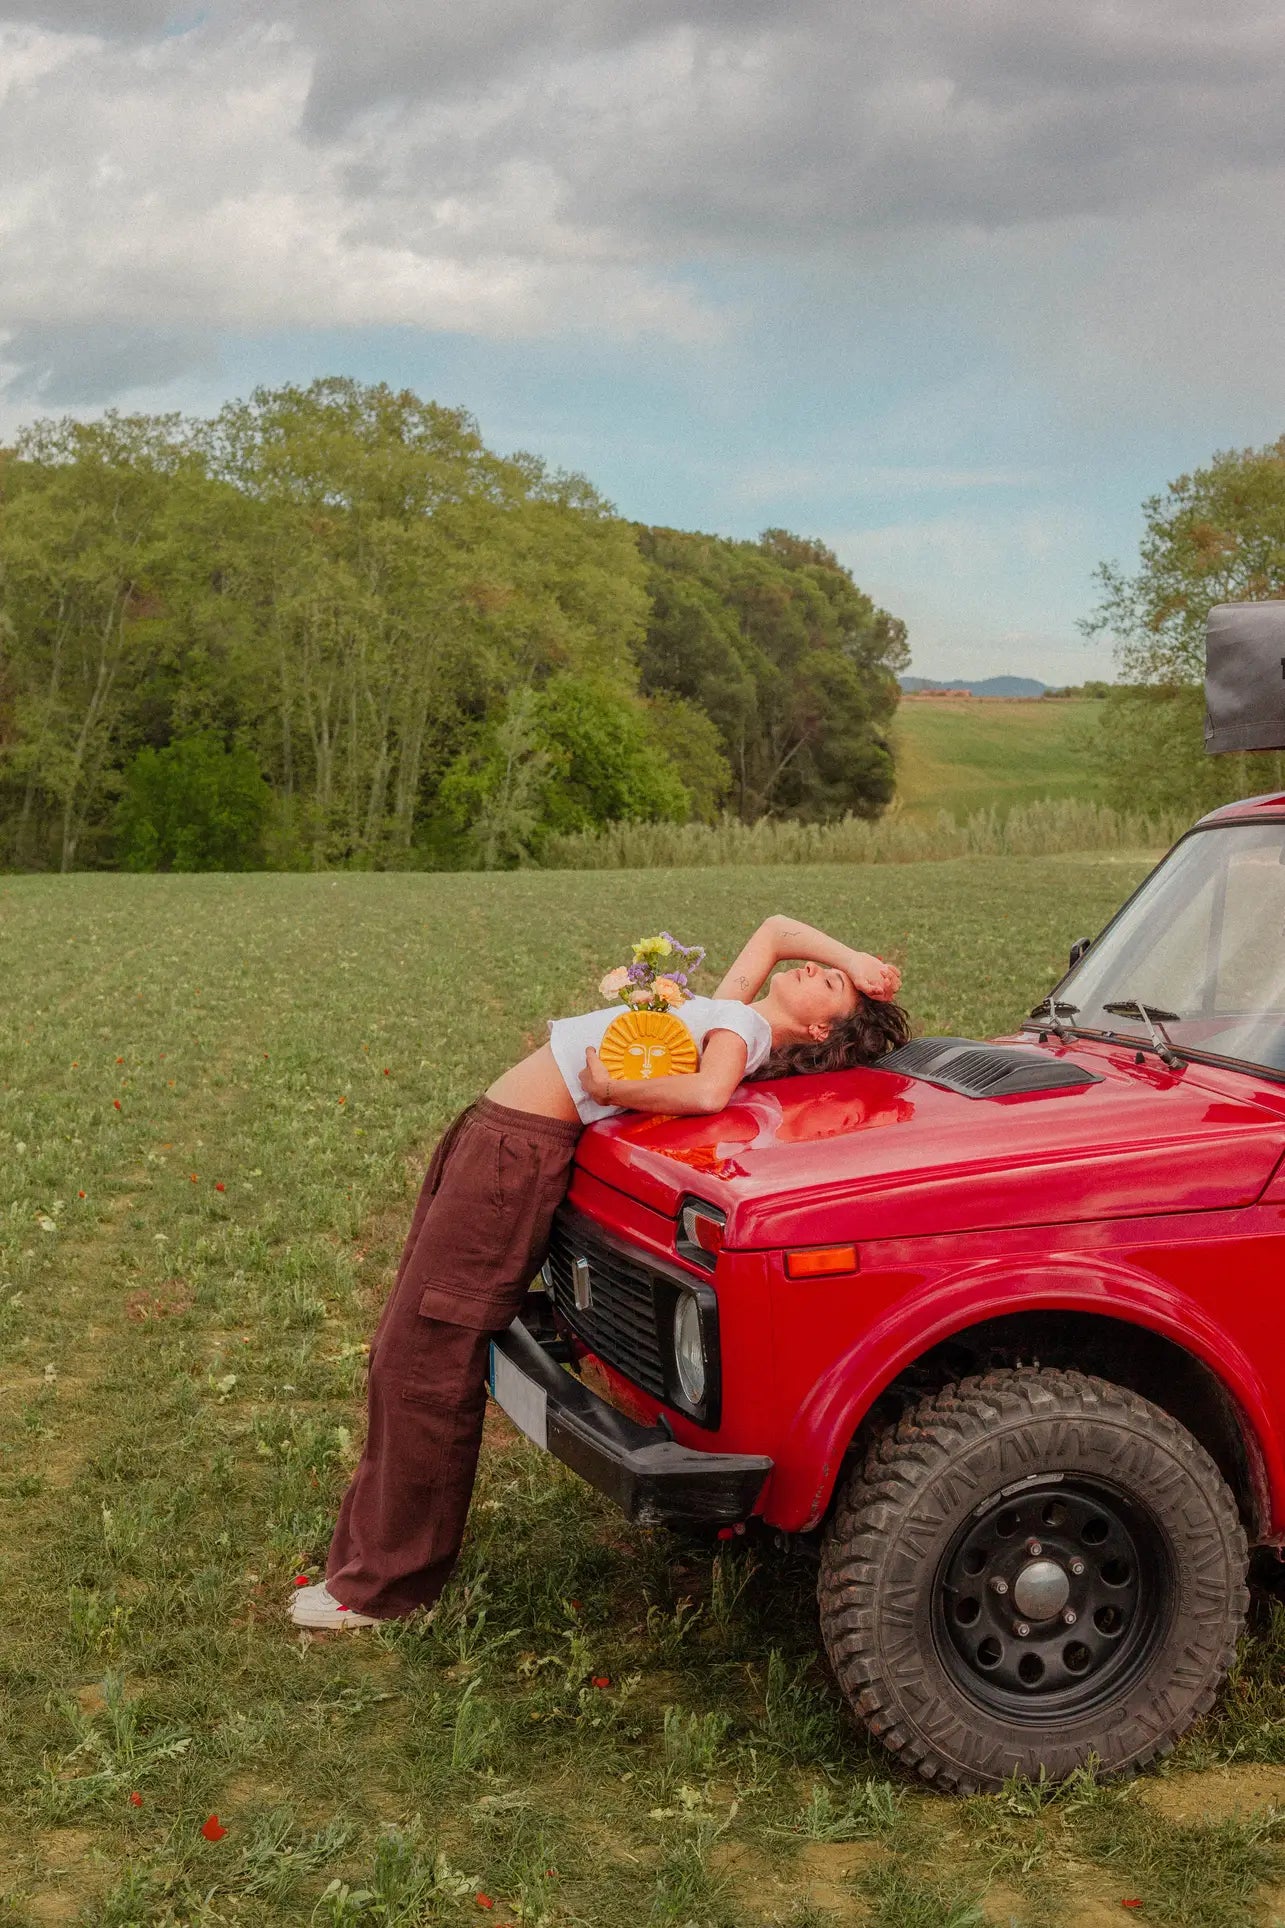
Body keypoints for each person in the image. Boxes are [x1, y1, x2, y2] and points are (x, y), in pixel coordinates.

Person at [289, 915, 906, 1630]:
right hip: (494, 1137)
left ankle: (383, 1589)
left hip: (515, 1153)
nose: (815, 971)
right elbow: (773, 931)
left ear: (824, 1035)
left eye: (829, 985)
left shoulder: (743, 1036)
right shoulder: (734, 1010)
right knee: (405, 1345)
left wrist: (611, 1085)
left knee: (425, 1357)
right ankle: (364, 1562)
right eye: (819, 968)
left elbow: (707, 1094)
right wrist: (854, 959)